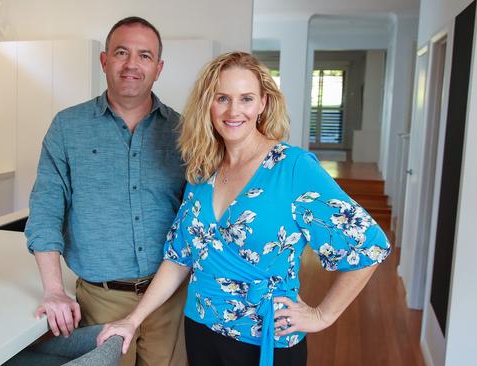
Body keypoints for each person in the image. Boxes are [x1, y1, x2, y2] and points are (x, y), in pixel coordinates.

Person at [97, 52, 391, 366]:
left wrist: (322, 315)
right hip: (201, 328)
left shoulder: (292, 168)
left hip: (266, 338)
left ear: (263, 103)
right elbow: (180, 257)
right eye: (222, 98)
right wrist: (134, 319)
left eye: (246, 98)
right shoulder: (203, 169)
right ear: (208, 104)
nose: (234, 111)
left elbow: (369, 244)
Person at [24, 16, 188, 366]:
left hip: (169, 301)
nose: (132, 64)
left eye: (145, 56)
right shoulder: (67, 127)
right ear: (104, 60)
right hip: (100, 302)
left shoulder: (184, 133)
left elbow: (200, 219)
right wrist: (53, 289)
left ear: (158, 68)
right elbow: (46, 209)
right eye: (121, 52)